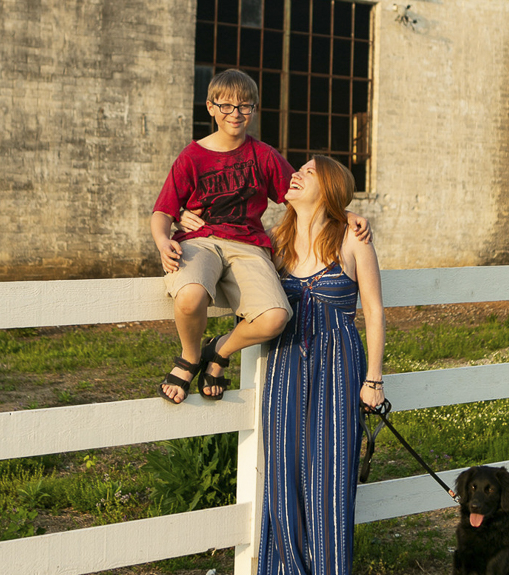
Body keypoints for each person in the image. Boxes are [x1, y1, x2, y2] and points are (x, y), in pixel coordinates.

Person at [151, 69, 369, 404]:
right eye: (225, 106)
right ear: (210, 107)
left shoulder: (263, 155)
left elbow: (300, 194)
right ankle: (190, 357)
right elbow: (163, 211)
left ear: (254, 109)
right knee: (190, 296)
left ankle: (220, 350)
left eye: (244, 106)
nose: (235, 114)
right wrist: (163, 240)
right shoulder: (192, 156)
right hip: (200, 242)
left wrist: (346, 213)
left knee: (274, 318)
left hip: (248, 246)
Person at [252, 155, 386, 575]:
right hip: (285, 365)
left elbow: (373, 311)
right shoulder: (274, 242)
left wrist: (373, 379)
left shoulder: (352, 239)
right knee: (284, 477)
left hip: (338, 367)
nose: (295, 174)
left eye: (307, 171)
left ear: (327, 186)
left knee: (328, 485)